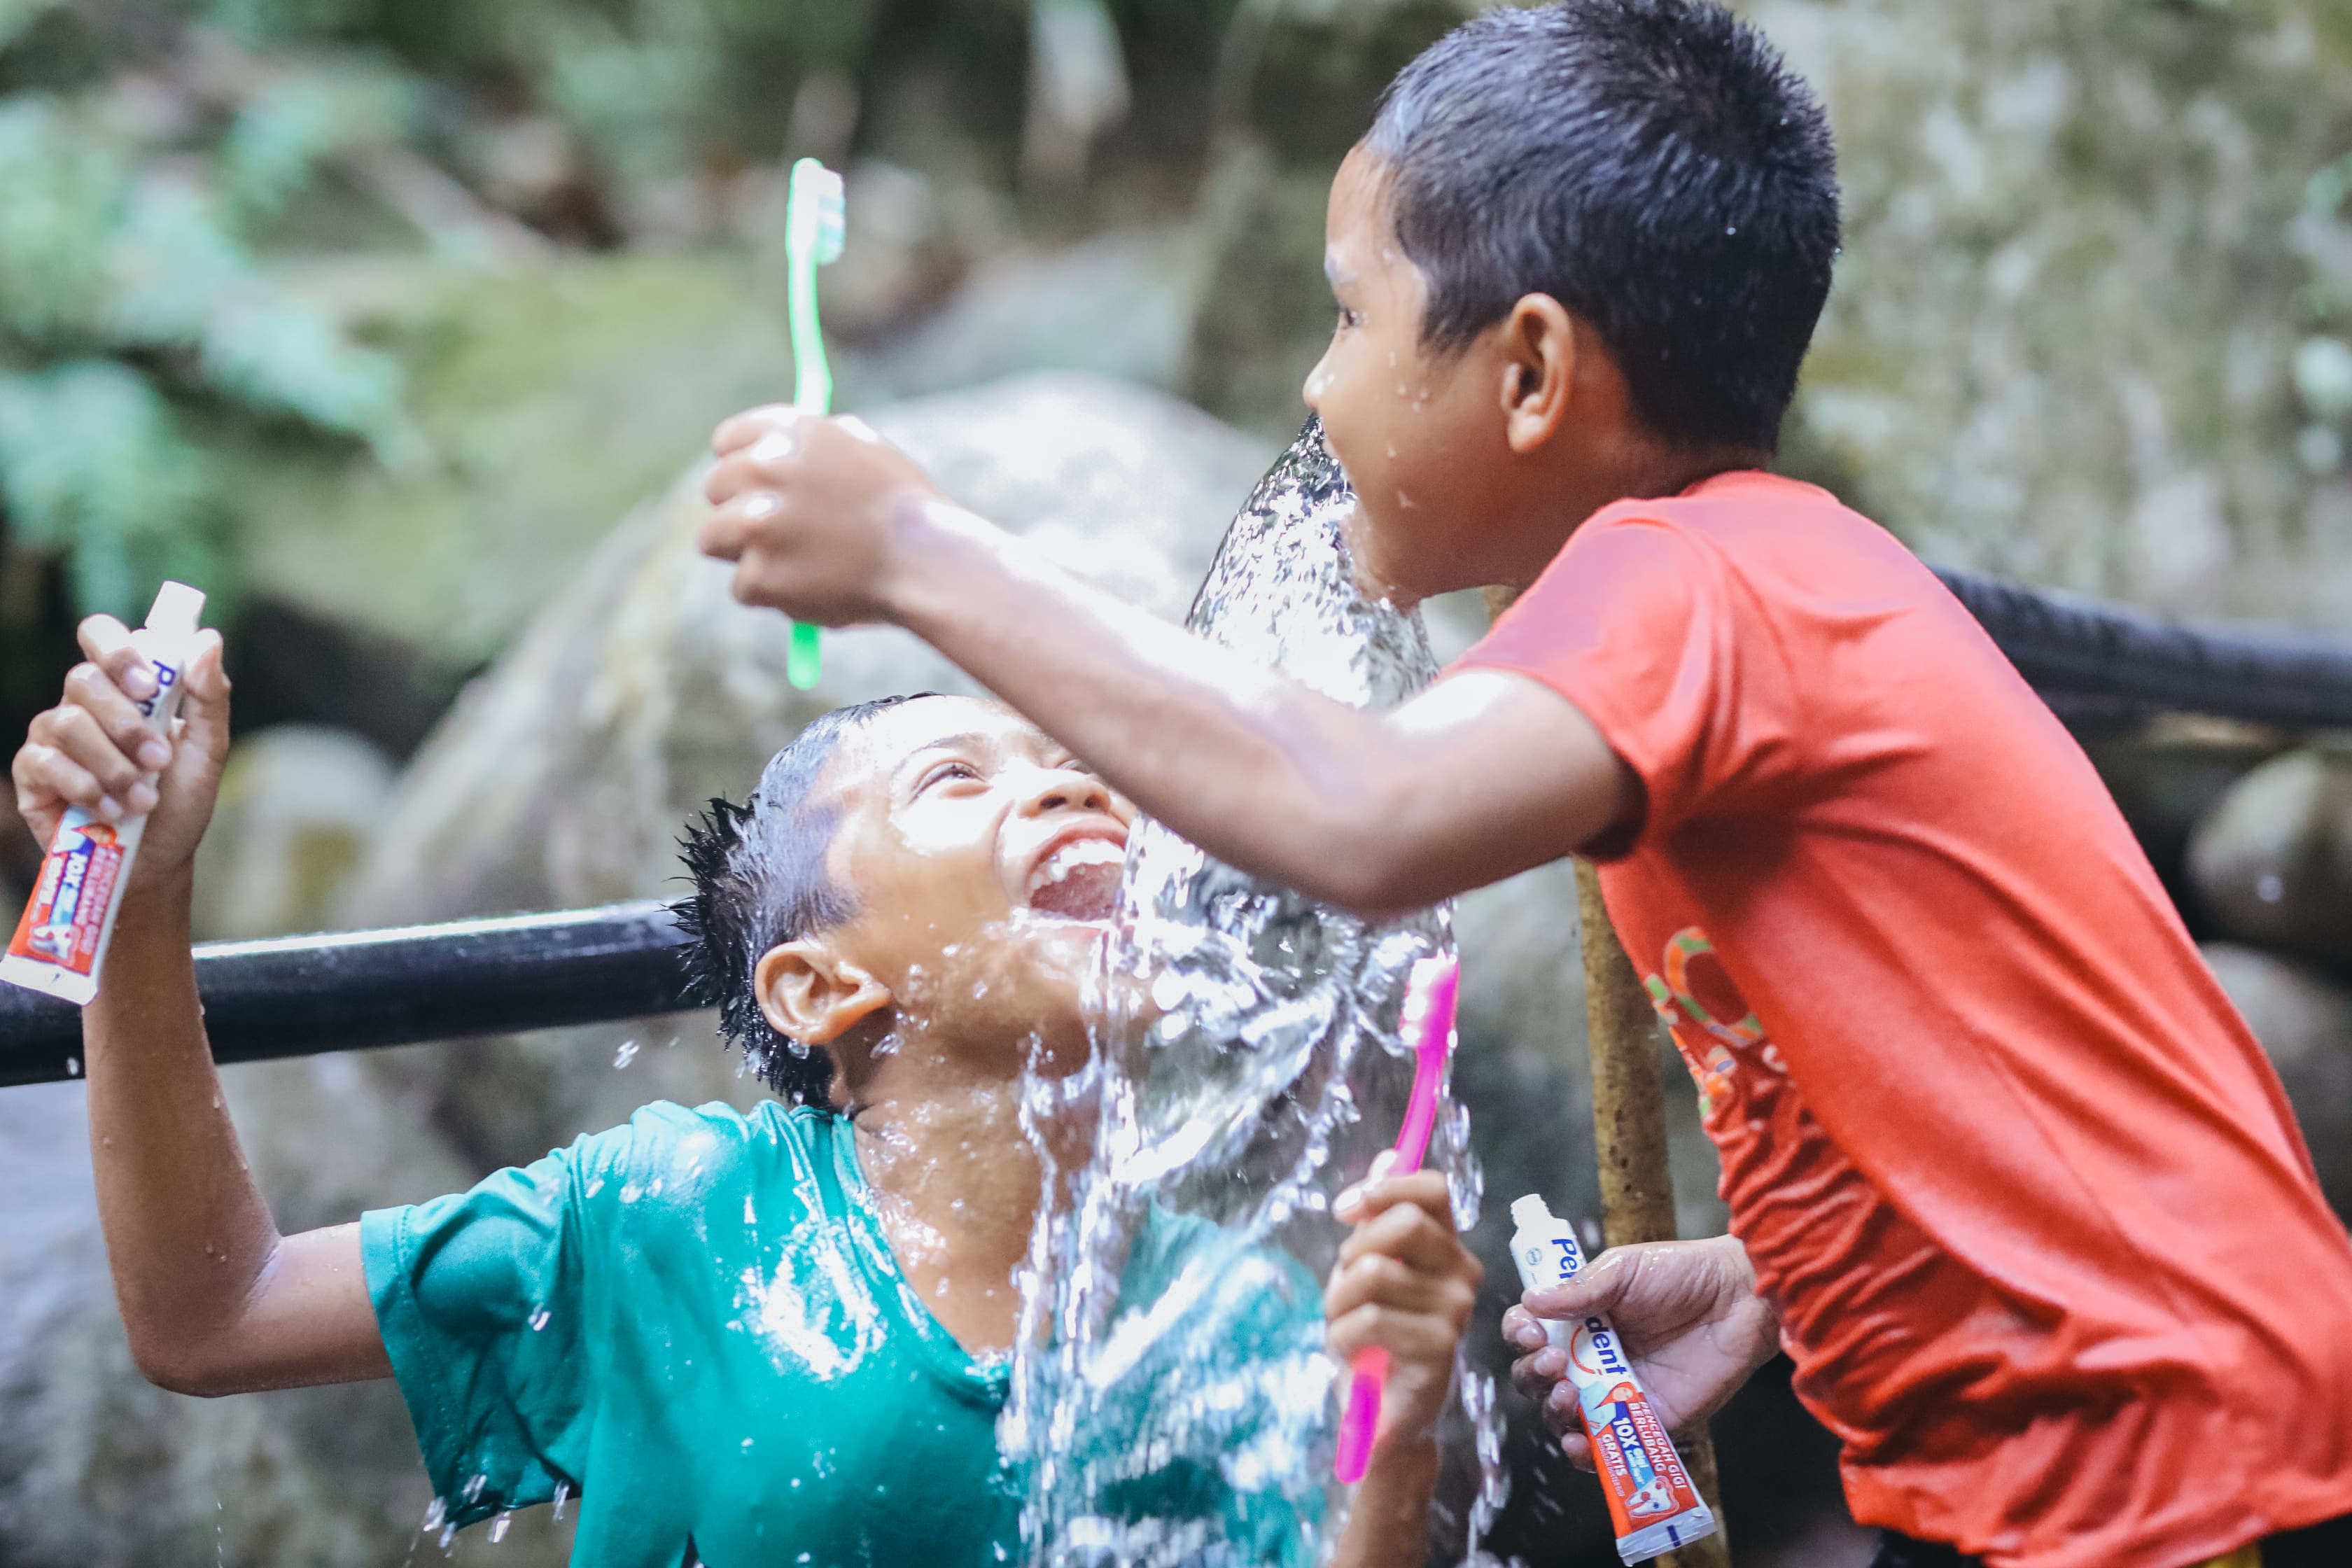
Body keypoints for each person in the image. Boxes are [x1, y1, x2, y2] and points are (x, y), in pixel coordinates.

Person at [685, 3, 2352, 1566]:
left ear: (1535, 374)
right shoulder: (1748, 592)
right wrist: (1779, 1282)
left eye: (1352, 317)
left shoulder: (1687, 584)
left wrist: (919, 551)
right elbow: (1990, 1042)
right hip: (2106, 1434)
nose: (1320, 389)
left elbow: (1363, 814)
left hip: (2166, 1457)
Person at [10, 634, 1483, 1566]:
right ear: (819, 987)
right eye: (959, 780)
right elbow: (214, 1316)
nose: (1076, 796)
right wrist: (144, 908)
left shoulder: (1238, 1322)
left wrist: (1399, 1433)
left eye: (1086, 776)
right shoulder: (673, 1219)